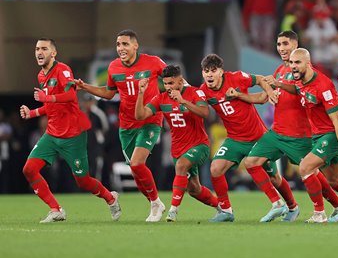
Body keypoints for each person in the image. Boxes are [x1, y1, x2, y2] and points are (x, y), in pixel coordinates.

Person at [244, 31, 338, 223]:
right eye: (278, 44)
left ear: (296, 45)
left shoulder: (303, 73)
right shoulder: (279, 71)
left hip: (299, 135)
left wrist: (280, 86)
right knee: (251, 162)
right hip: (277, 133)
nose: (282, 48)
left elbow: (302, 90)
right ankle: (281, 205)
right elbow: (262, 98)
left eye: (285, 44)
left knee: (317, 174)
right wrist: (240, 95)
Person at [19, 38, 121, 223]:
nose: (39, 52)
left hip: (73, 135)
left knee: (82, 180)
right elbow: (51, 107)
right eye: (36, 49)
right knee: (29, 169)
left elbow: (70, 95)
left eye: (44, 49)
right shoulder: (41, 75)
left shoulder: (63, 70)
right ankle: (56, 209)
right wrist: (32, 112)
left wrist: (46, 98)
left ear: (53, 53)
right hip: (51, 134)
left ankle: (110, 198)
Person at [76, 29, 167, 222]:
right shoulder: (114, 67)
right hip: (126, 124)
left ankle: (156, 203)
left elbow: (174, 80)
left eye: (125, 44)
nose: (121, 48)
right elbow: (109, 93)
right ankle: (154, 201)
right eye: (118, 44)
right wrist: (85, 86)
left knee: (137, 163)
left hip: (150, 120)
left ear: (135, 45)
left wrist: (185, 97)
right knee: (136, 172)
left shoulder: (154, 62)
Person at [199, 54, 295, 223]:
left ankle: (292, 207)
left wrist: (270, 91)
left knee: (274, 178)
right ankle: (226, 210)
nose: (209, 75)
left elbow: (259, 79)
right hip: (235, 140)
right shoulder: (204, 91)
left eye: (213, 71)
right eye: (206, 71)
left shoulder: (236, 77)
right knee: (215, 168)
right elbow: (194, 99)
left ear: (221, 72)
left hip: (258, 138)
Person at [271, 48, 338, 223]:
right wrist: (279, 84)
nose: (293, 67)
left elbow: (337, 121)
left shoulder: (323, 85)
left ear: (308, 64)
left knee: (305, 167)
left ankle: (319, 213)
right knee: (334, 180)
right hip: (318, 134)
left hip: (332, 134)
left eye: (297, 63)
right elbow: (298, 90)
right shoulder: (300, 81)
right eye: (292, 63)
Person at [134, 65, 219, 222]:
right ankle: (222, 208)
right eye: (165, 83)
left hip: (199, 145)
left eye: (171, 83)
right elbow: (140, 115)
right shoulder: (161, 98)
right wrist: (140, 93)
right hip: (178, 149)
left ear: (180, 81)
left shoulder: (195, 92)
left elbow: (205, 113)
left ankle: (173, 210)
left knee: (181, 166)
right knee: (194, 189)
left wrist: (183, 101)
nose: (168, 87)